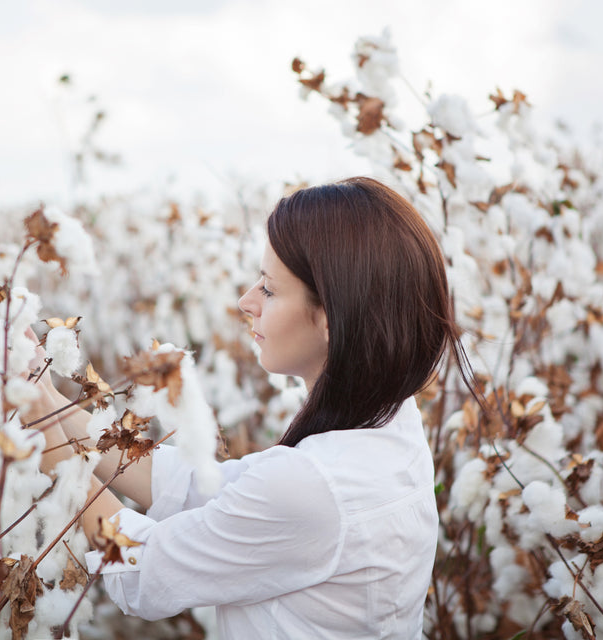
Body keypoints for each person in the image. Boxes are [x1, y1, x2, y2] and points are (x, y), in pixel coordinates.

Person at [31, 177, 469, 639]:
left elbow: (141, 571)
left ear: (331, 317)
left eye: (270, 289)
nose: (246, 302)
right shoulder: (392, 423)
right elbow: (207, 491)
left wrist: (57, 458)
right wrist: (48, 401)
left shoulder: (315, 485)